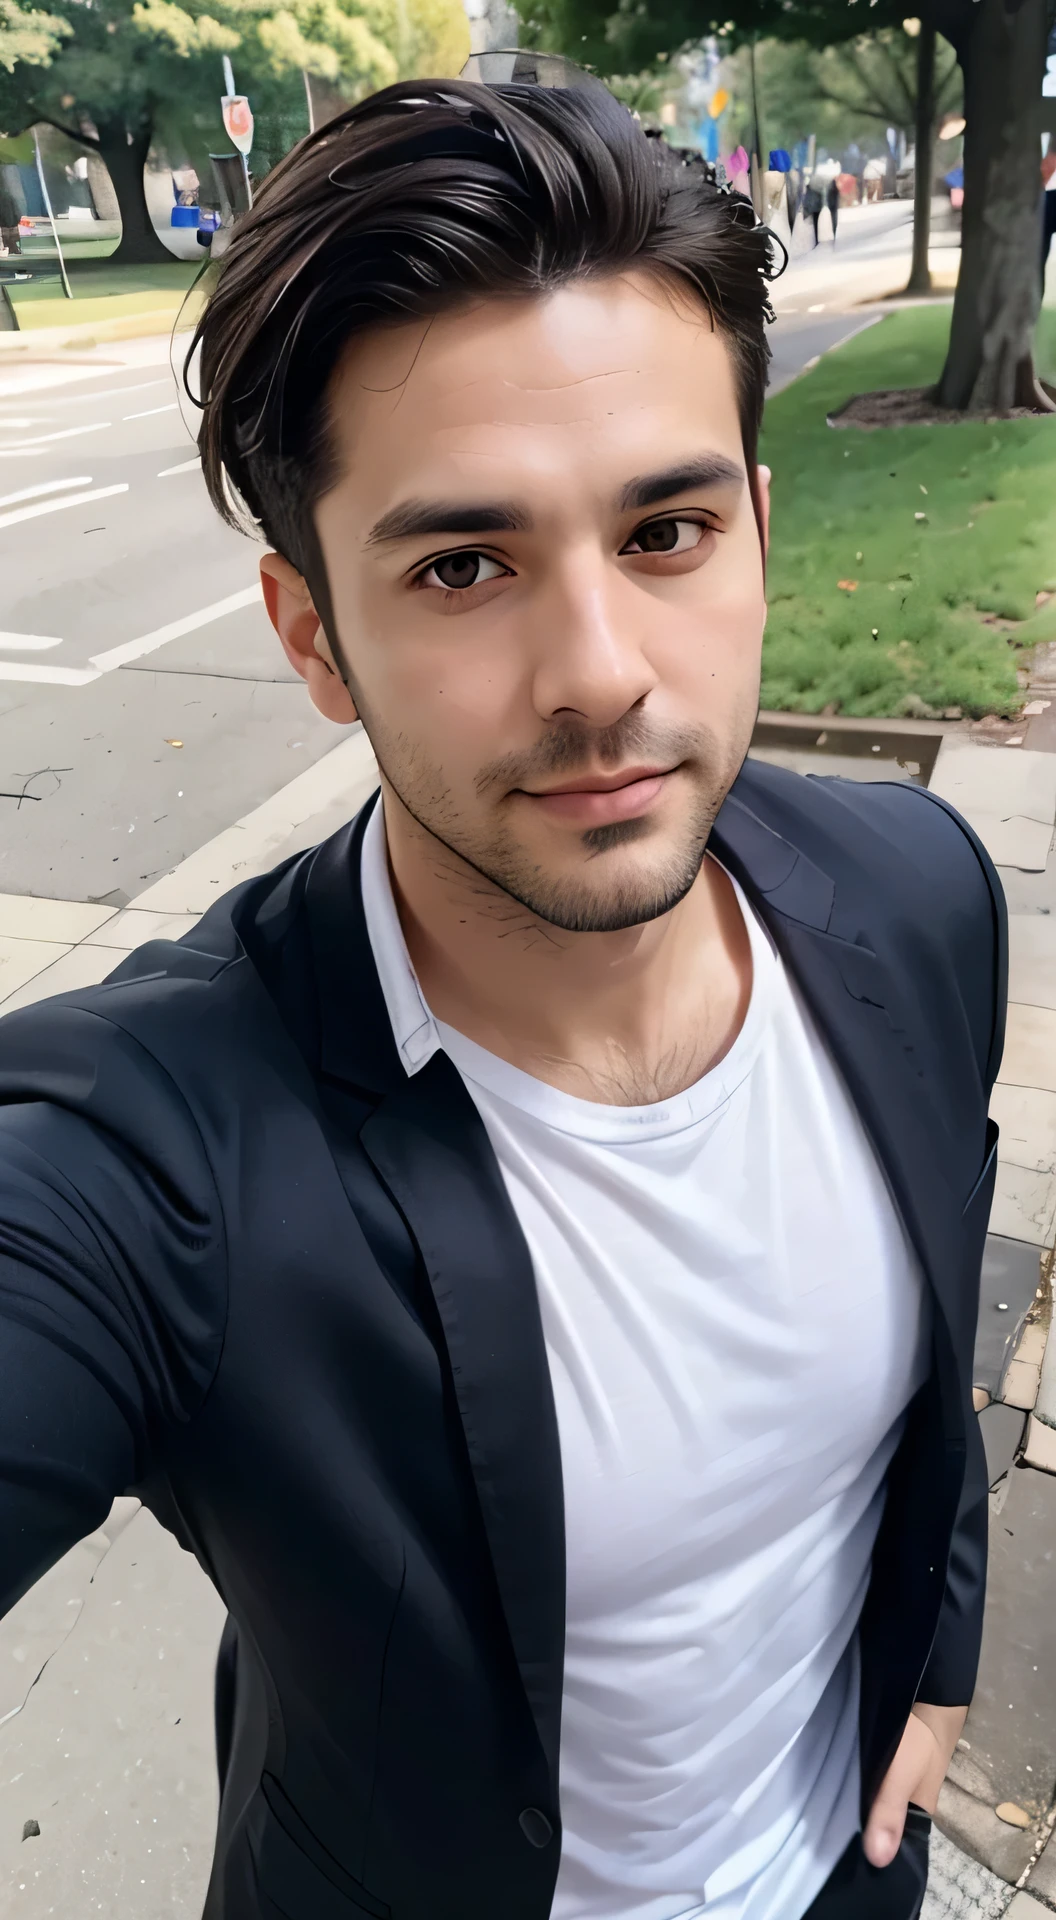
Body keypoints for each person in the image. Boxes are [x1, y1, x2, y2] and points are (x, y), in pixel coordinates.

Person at [0, 64, 1004, 1920]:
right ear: (314, 634)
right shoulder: (153, 1161)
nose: (601, 672)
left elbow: (933, 1345)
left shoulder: (920, 897)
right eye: (464, 564)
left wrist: (938, 1645)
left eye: (664, 533)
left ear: (758, 530)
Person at [803, 177, 823, 245]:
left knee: (814, 224)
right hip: (816, 208)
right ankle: (815, 239)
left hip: (814, 209)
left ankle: (815, 240)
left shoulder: (809, 188)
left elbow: (807, 200)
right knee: (815, 224)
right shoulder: (817, 187)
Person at [826, 175, 840, 242]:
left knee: (833, 220)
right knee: (834, 221)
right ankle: (834, 233)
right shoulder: (833, 188)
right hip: (834, 206)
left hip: (832, 206)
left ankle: (834, 232)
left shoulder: (829, 188)